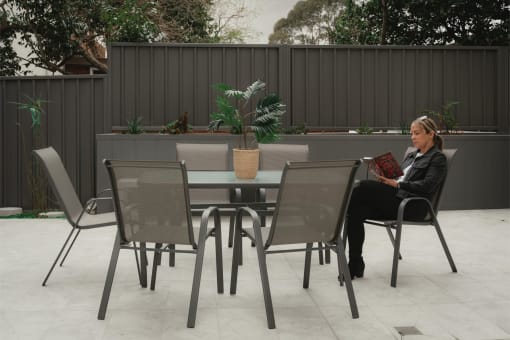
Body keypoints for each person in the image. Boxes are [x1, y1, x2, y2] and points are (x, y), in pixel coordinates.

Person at [346, 116, 447, 279]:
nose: (413, 137)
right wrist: (386, 178)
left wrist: (398, 185)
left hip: (411, 206)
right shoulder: (412, 156)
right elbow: (398, 177)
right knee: (355, 211)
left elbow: (427, 186)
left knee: (361, 187)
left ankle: (332, 213)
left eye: (417, 133)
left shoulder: (438, 158)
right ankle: (355, 264)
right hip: (395, 199)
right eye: (411, 133)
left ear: (431, 134)